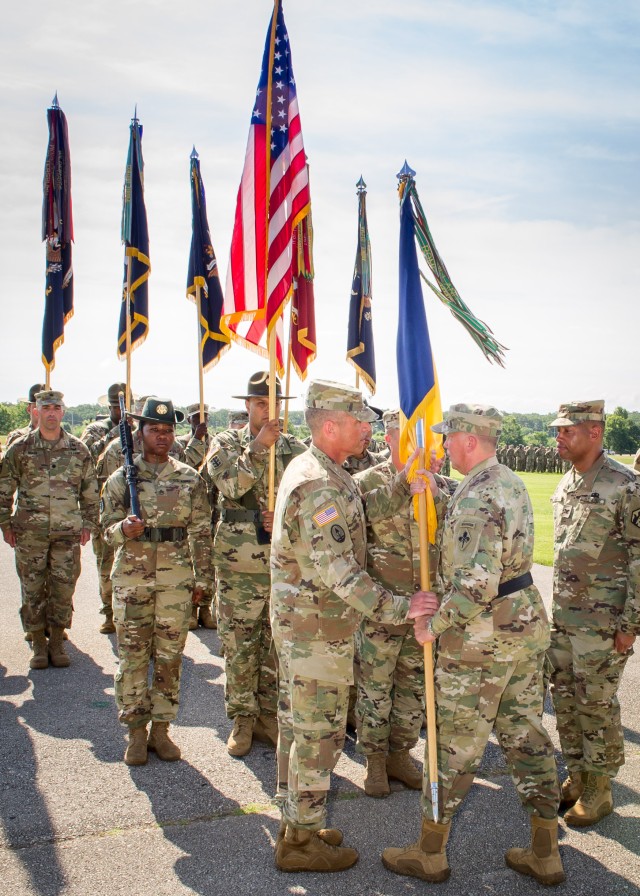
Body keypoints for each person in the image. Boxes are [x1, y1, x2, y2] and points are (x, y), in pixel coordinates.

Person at [382, 403, 564, 887]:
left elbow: (475, 585)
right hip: (523, 628)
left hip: (480, 641)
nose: (442, 446)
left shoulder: (475, 498)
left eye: (447, 438)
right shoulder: (506, 480)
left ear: (466, 439)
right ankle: (546, 852)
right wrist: (432, 489)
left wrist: (431, 628)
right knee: (527, 738)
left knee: (452, 748)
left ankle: (429, 852)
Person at [270, 380, 435, 873]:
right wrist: (401, 607)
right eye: (359, 420)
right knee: (317, 735)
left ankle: (299, 822)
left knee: (300, 731)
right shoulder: (318, 481)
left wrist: (404, 483)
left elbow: (359, 514)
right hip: (315, 633)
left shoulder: (328, 471)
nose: (368, 428)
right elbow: (339, 571)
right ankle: (299, 844)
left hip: (311, 629)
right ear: (328, 425)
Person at [101, 397, 212, 766]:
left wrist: (204, 580)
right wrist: (123, 528)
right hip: (132, 578)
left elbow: (200, 531)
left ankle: (162, 730)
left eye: (168, 430)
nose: (162, 436)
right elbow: (104, 533)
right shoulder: (122, 478)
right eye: (154, 430)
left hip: (176, 580)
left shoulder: (188, 477)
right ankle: (135, 732)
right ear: (140, 432)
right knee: (132, 658)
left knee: (169, 658)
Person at [546, 401, 640, 827]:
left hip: (603, 625)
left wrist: (630, 624)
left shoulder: (626, 484)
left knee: (596, 706)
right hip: (565, 619)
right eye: (558, 430)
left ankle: (600, 790)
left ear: (595, 432)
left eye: (568, 431)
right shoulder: (567, 481)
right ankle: (578, 775)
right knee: (564, 699)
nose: (559, 437)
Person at [205, 371, 306, 757]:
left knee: (276, 646)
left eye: (274, 403)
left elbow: (313, 504)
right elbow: (230, 486)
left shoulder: (295, 449)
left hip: (283, 565)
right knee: (240, 643)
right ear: (247, 405)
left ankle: (269, 716)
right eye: (261, 403)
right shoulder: (226, 442)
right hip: (239, 565)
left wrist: (282, 517)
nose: (268, 411)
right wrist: (259, 448)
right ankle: (242, 718)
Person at [353, 410, 431, 797]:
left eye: (423, 439)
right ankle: (375, 762)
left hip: (423, 613)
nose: (418, 447)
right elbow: (358, 516)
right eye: (407, 439)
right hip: (381, 610)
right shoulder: (364, 482)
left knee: (413, 692)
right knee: (375, 691)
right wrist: (404, 485)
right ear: (388, 440)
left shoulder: (438, 485)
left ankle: (401, 754)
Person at [0, 390, 99, 670]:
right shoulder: (20, 449)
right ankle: (38, 643)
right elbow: (4, 490)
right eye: (46, 408)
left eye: (56, 407)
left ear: (63, 411)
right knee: (32, 588)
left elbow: (90, 491)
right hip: (29, 532)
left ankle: (56, 639)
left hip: (67, 533)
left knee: (63, 588)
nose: (52, 413)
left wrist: (89, 523)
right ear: (36, 412)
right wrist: (5, 524)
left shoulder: (78, 449)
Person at [80, 382, 126, 634]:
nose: (123, 411)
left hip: (130, 506)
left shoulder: (135, 430)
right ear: (110, 407)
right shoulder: (97, 429)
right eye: (118, 406)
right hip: (105, 504)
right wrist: (112, 435)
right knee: (106, 562)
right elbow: (85, 456)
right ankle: (108, 612)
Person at [177, 402, 216, 631]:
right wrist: (196, 442)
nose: (201, 422)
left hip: (210, 510)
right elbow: (182, 468)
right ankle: (190, 609)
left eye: (205, 418)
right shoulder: (182, 443)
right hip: (189, 512)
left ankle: (206, 608)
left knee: (208, 563)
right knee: (190, 561)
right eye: (196, 418)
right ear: (189, 420)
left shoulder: (216, 442)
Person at [5, 383, 46, 448]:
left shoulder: (62, 438)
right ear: (29, 409)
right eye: (37, 406)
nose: (41, 411)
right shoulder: (17, 436)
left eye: (46, 407)